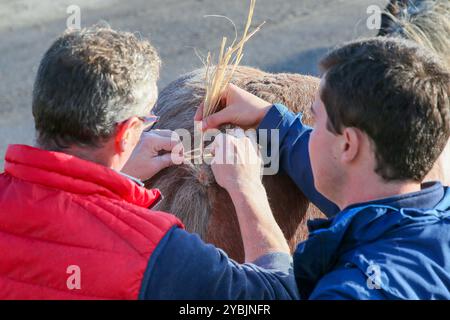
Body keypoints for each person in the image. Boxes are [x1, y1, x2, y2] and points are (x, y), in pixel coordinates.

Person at [0, 26, 298, 299]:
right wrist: (246, 188)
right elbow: (273, 297)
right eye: (146, 120)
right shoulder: (156, 252)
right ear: (127, 132)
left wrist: (114, 174)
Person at [196, 37, 450, 299]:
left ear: (348, 145)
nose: (311, 131)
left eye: (315, 119)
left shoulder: (348, 293)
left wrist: (246, 188)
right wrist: (274, 122)